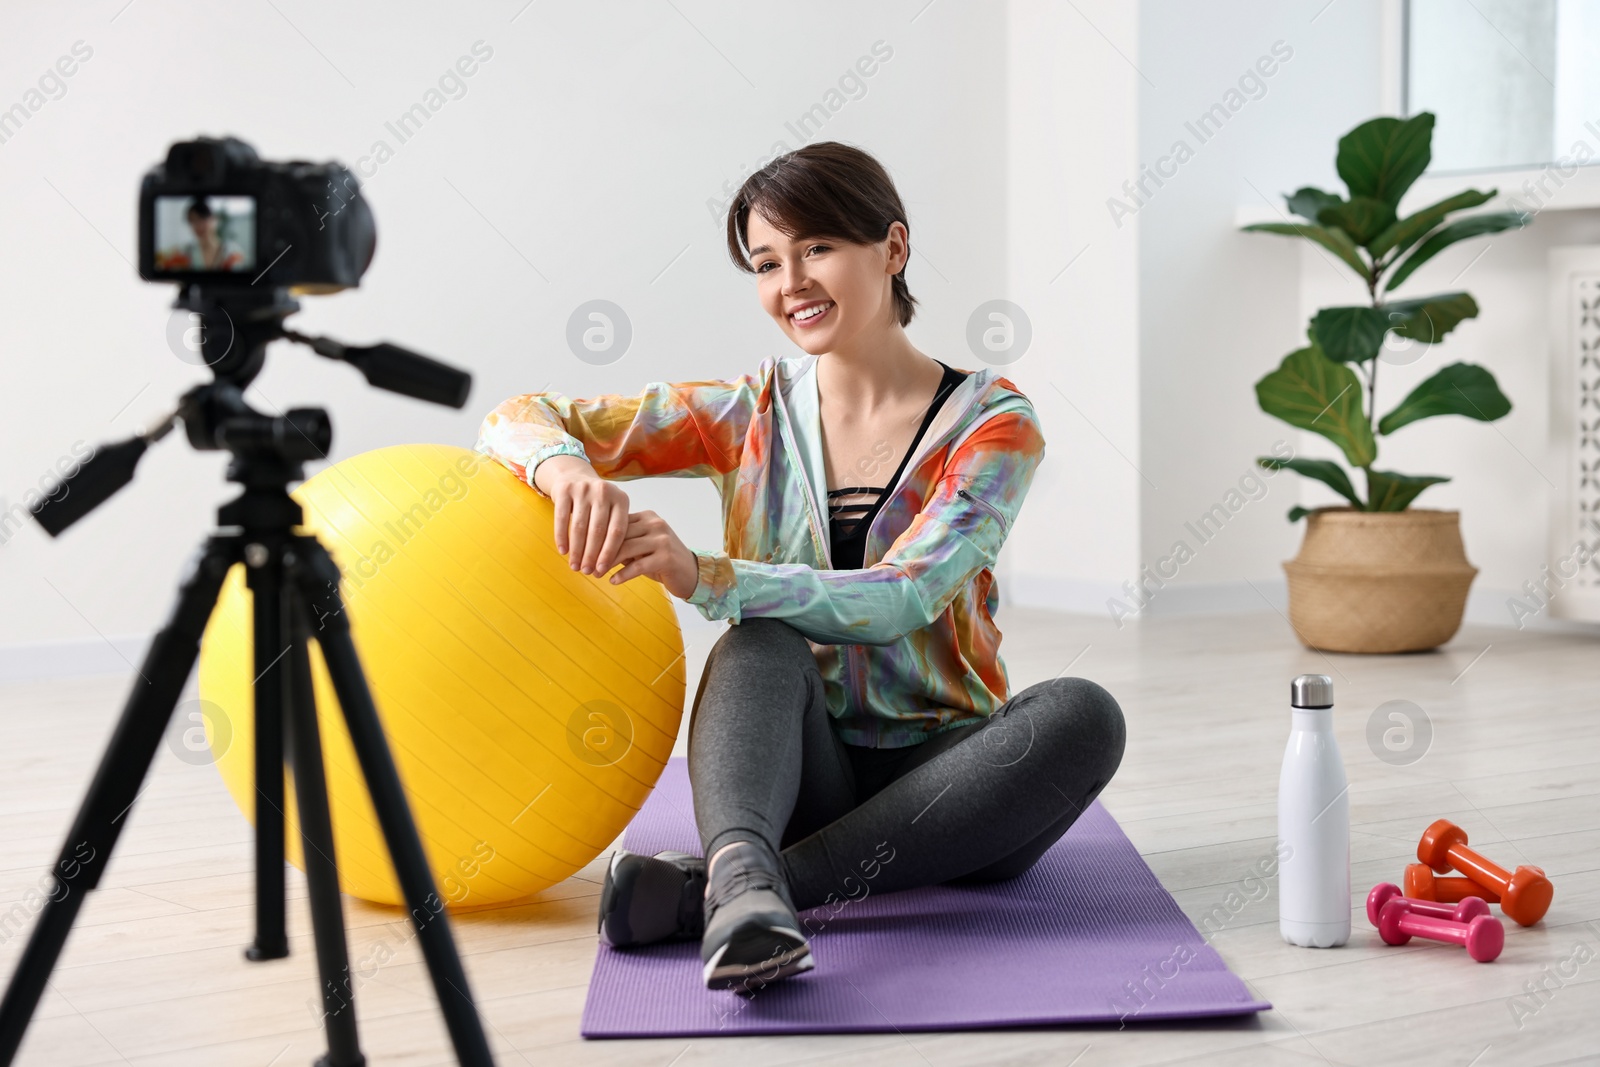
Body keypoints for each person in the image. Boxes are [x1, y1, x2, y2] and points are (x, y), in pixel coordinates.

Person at [475, 142, 1126, 995]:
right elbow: (517, 415)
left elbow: (907, 595)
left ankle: (737, 887)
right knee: (756, 647)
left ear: (891, 249)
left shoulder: (993, 422)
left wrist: (708, 574)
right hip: (794, 772)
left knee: (1083, 715)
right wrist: (568, 472)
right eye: (766, 262)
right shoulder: (745, 411)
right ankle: (746, 872)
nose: (792, 285)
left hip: (948, 791)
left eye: (816, 247)